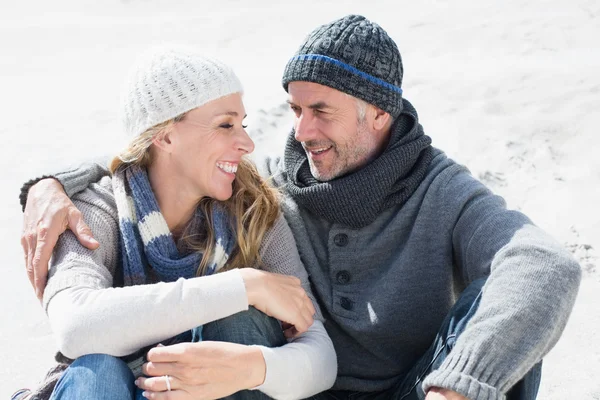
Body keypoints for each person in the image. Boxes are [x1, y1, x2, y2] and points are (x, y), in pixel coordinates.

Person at [19, 15, 581, 400]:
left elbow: (544, 265)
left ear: (379, 114)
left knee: (512, 322)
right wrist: (52, 183)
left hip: (416, 387)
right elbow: (164, 155)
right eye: (294, 109)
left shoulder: (441, 191)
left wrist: (458, 385)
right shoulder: (274, 190)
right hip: (286, 391)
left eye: (322, 111)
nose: (302, 131)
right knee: (220, 320)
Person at [14, 46, 337, 400]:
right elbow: (74, 327)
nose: (246, 142)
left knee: (241, 322)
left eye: (241, 125)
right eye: (225, 125)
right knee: (97, 370)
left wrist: (251, 367)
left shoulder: (253, 211)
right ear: (165, 136)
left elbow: (320, 356)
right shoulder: (95, 211)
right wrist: (243, 286)